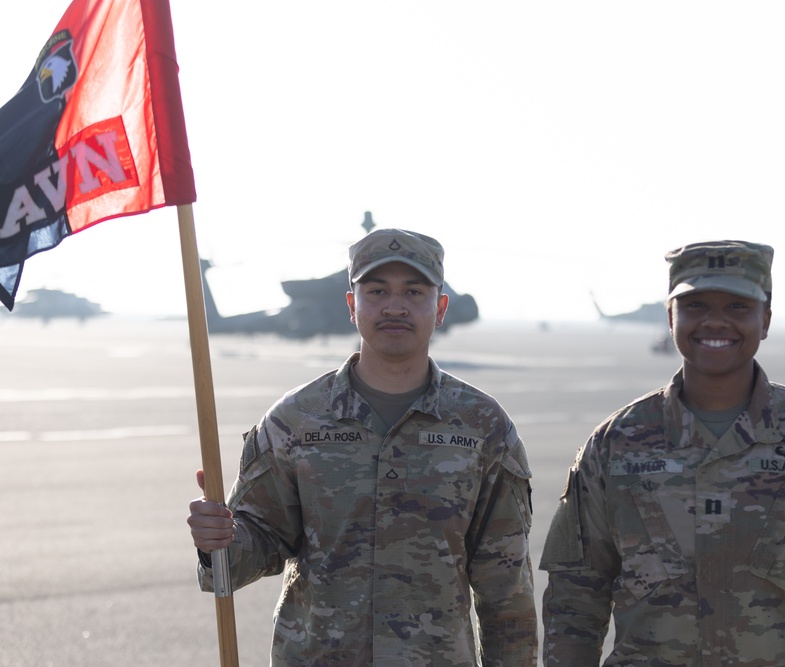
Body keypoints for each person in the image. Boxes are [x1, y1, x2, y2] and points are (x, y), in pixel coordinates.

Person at [539, 240, 785, 666]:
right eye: (695, 306)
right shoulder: (615, 445)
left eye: (737, 307)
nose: (715, 322)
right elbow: (574, 604)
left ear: (765, 320)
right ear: (671, 316)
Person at [188, 229, 537, 666]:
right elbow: (253, 547)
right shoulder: (294, 420)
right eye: (376, 291)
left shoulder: (484, 427)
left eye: (413, 291)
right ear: (352, 306)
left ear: (440, 307)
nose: (395, 306)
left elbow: (507, 590)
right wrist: (218, 540)